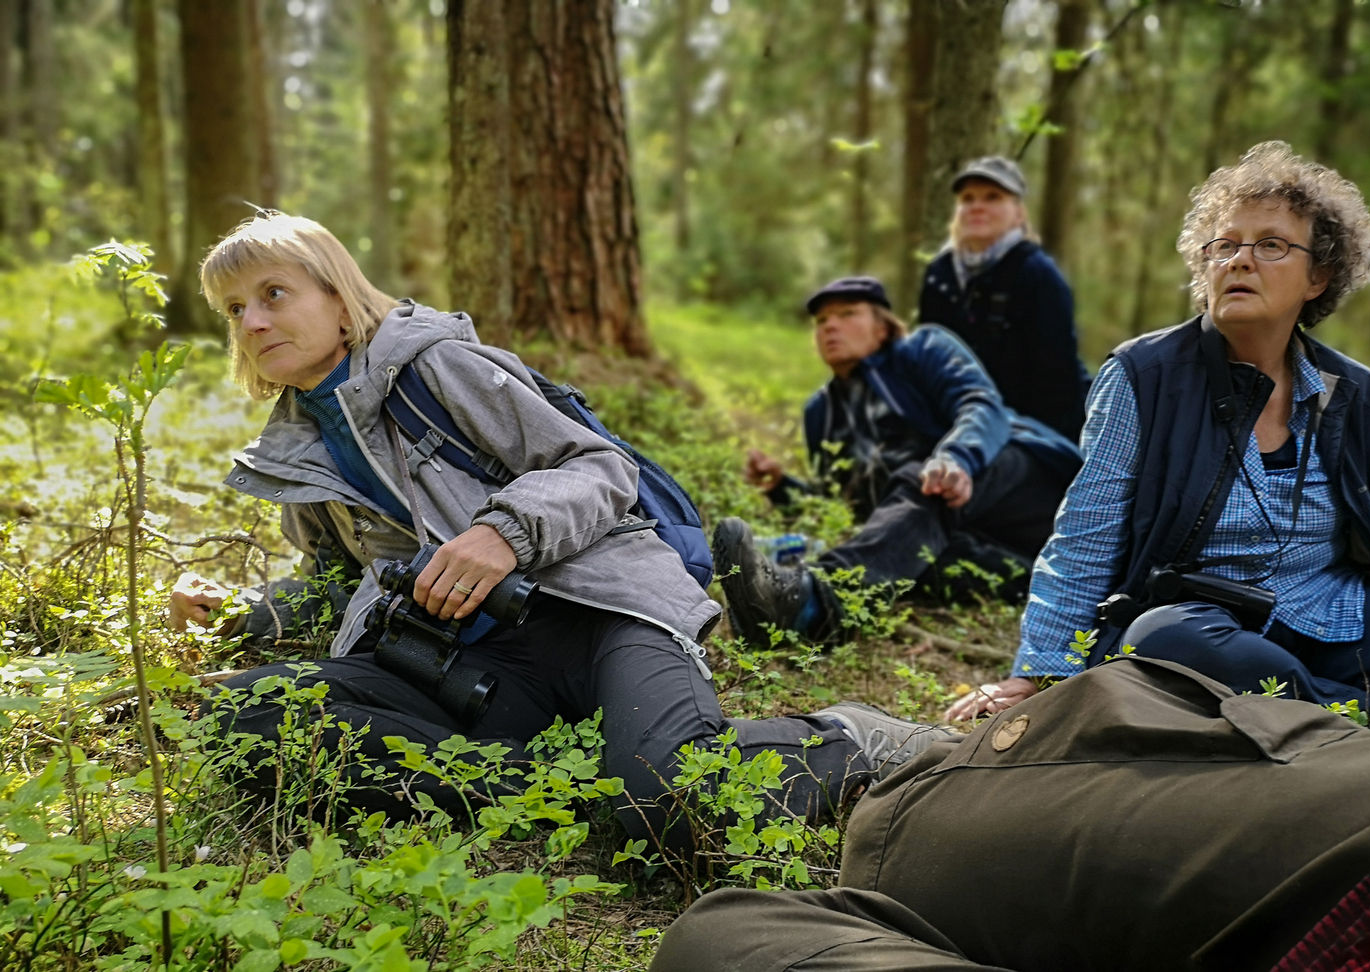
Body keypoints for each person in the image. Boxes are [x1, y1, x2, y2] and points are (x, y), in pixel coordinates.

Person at [191, 211, 958, 848]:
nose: (254, 321)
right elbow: (335, 582)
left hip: (602, 614)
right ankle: (564, 784)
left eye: (274, 293)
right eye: (234, 309)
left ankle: (849, 740)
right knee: (242, 718)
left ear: (335, 293)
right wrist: (239, 614)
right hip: (471, 669)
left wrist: (505, 532)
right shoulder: (297, 444)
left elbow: (599, 467)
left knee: (668, 804)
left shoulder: (438, 367)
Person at [949, 140, 1370, 723]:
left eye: (1270, 245)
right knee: (1159, 640)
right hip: (1198, 624)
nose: (1239, 260)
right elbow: (1086, 534)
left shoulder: (1363, 397)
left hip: (1329, 608)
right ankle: (1354, 718)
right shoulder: (1144, 375)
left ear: (1319, 276)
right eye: (1224, 246)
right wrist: (1040, 672)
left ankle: (1303, 710)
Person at [649, 656, 1370, 971]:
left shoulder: (1359, 407)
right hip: (1345, 825)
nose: (833, 328)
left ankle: (920, 761)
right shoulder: (1158, 375)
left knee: (731, 935)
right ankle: (931, 753)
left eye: (850, 313)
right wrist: (1034, 668)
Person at [715, 275, 1080, 645]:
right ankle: (778, 613)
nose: (831, 327)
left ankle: (813, 605)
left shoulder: (923, 348)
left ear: (882, 326)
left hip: (1025, 489)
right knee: (911, 557)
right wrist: (781, 487)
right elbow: (852, 511)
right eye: (822, 321)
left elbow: (982, 406)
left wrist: (956, 458)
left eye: (847, 313)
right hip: (980, 540)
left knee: (927, 478)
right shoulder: (821, 413)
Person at [917, 155, 1092, 443]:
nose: (977, 207)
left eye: (992, 197)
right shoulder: (940, 274)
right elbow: (931, 366)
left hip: (1032, 434)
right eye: (967, 199)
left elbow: (1057, 383)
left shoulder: (1038, 275)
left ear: (1018, 213)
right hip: (957, 430)